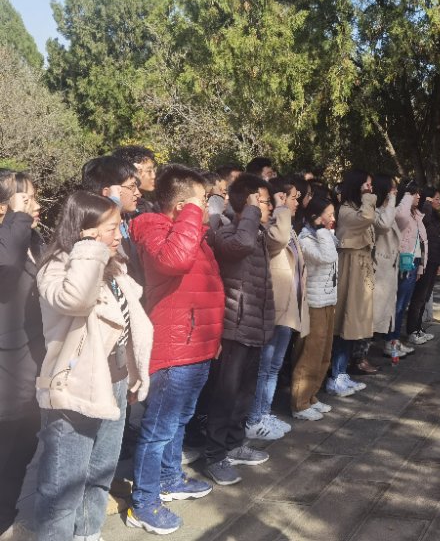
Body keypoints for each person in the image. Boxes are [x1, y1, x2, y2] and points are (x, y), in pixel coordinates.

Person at [35, 191, 153, 541]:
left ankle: (88, 533)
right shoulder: (57, 267)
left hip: (113, 382)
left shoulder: (111, 266)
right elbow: (76, 300)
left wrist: (134, 373)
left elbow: (130, 322)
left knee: (100, 473)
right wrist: (88, 248)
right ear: (85, 230)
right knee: (62, 488)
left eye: (119, 226)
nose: (119, 235)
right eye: (111, 228)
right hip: (74, 389)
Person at [127, 165, 224, 534]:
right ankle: (144, 502)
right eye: (202, 200)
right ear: (183, 205)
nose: (207, 206)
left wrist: (212, 341)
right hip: (174, 349)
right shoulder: (153, 227)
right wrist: (191, 214)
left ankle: (169, 479)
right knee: (158, 430)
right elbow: (175, 261)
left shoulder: (191, 233)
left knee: (178, 421)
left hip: (196, 346)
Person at [202, 174, 276, 485]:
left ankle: (234, 445)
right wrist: (250, 210)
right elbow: (240, 245)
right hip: (233, 327)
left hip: (254, 327)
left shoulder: (256, 232)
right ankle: (214, 455)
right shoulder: (227, 230)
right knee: (225, 396)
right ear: (248, 202)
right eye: (263, 201)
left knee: (244, 394)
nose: (268, 207)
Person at [245, 177, 308, 441]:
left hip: (287, 307)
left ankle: (264, 413)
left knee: (274, 367)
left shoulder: (287, 228)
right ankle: (254, 418)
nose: (296, 203)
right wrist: (281, 208)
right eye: (291, 197)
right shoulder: (270, 230)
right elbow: (279, 239)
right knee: (264, 367)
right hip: (272, 308)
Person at [0, 171, 43, 538]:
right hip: (6, 373)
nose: (36, 206)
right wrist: (17, 216)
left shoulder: (30, 237)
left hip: (30, 368)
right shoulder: (10, 241)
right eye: (26, 199)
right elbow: (5, 268)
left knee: (20, 454)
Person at [294, 193, 340, 417]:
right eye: (328, 215)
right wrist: (321, 229)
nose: (333, 219)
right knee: (310, 354)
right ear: (315, 217)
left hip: (328, 300)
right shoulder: (306, 239)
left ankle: (312, 396)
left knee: (324, 353)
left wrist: (324, 230)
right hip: (314, 303)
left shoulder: (325, 236)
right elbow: (327, 257)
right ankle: (300, 403)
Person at [330, 170, 377, 394]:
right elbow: (366, 218)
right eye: (366, 185)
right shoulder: (346, 210)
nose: (370, 189)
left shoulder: (358, 208)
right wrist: (368, 199)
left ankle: (342, 373)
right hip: (350, 270)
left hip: (360, 269)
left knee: (354, 324)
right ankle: (336, 375)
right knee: (345, 324)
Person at [81, 155, 145, 285]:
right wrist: (113, 204)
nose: (138, 193)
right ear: (108, 192)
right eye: (132, 187)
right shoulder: (92, 231)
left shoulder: (128, 219)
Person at [370, 174, 413, 359]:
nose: (395, 191)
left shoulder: (386, 209)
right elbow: (384, 225)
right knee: (373, 315)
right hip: (379, 268)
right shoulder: (375, 211)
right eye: (392, 188)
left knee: (390, 310)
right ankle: (360, 356)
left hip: (389, 268)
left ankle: (390, 343)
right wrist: (394, 199)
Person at [388, 180, 428, 347]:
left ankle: (395, 340)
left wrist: (421, 267)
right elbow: (402, 218)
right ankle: (391, 341)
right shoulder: (400, 211)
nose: (418, 196)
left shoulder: (416, 214)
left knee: (403, 304)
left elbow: (422, 242)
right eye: (414, 193)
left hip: (414, 262)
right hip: (404, 263)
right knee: (398, 305)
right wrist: (406, 195)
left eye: (418, 193)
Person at [406, 186, 440, 344]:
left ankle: (418, 328)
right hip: (424, 261)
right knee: (419, 297)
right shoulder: (424, 214)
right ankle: (412, 331)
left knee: (425, 297)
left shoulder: (435, 216)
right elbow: (424, 222)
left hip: (433, 261)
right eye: (436, 198)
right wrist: (426, 203)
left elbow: (437, 241)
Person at [112, 145, 157, 212]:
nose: (153, 176)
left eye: (154, 170)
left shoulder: (146, 204)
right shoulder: (125, 208)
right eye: (149, 171)